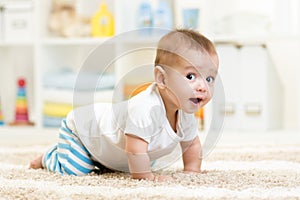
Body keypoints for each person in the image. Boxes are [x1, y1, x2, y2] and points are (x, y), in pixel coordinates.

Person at [30, 28, 219, 181]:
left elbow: (191, 144)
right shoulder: (144, 108)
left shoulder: (185, 113)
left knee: (136, 162)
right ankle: (50, 156)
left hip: (112, 151)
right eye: (190, 76)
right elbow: (135, 151)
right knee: (76, 171)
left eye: (209, 78)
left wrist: (192, 172)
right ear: (162, 78)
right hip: (83, 132)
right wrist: (146, 177)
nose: (203, 87)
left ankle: (103, 161)